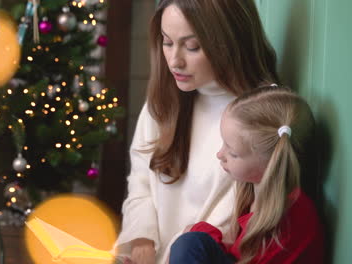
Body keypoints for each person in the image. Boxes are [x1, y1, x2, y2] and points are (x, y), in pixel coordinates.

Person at [115, 0, 279, 263]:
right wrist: (142, 239)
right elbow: (140, 180)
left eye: (192, 47)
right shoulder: (162, 102)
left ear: (228, 42)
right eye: (167, 42)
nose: (175, 61)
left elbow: (229, 222)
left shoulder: (257, 119)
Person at [169, 87, 324, 264]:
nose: (220, 154)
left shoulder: (289, 219)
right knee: (193, 239)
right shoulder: (259, 197)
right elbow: (239, 253)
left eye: (233, 153)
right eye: (223, 144)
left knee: (191, 243)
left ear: (271, 163)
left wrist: (199, 235)